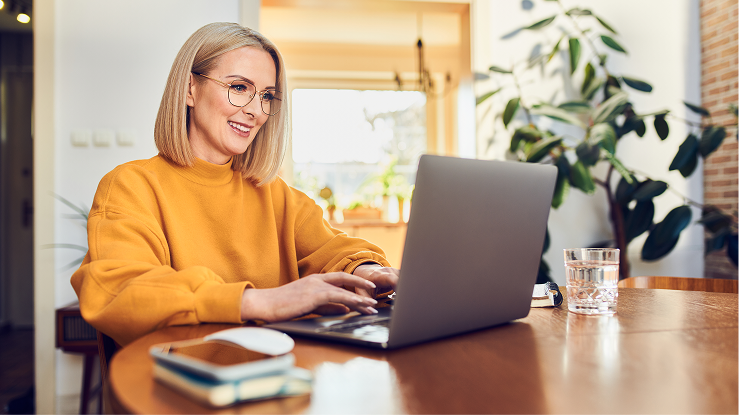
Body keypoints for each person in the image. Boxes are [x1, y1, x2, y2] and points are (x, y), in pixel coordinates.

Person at [71, 22, 399, 346]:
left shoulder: (274, 193)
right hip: (178, 387)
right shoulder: (131, 186)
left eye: (267, 96)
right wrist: (259, 302)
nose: (256, 111)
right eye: (239, 87)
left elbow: (336, 249)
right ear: (189, 89)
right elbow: (120, 290)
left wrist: (365, 270)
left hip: (281, 383)